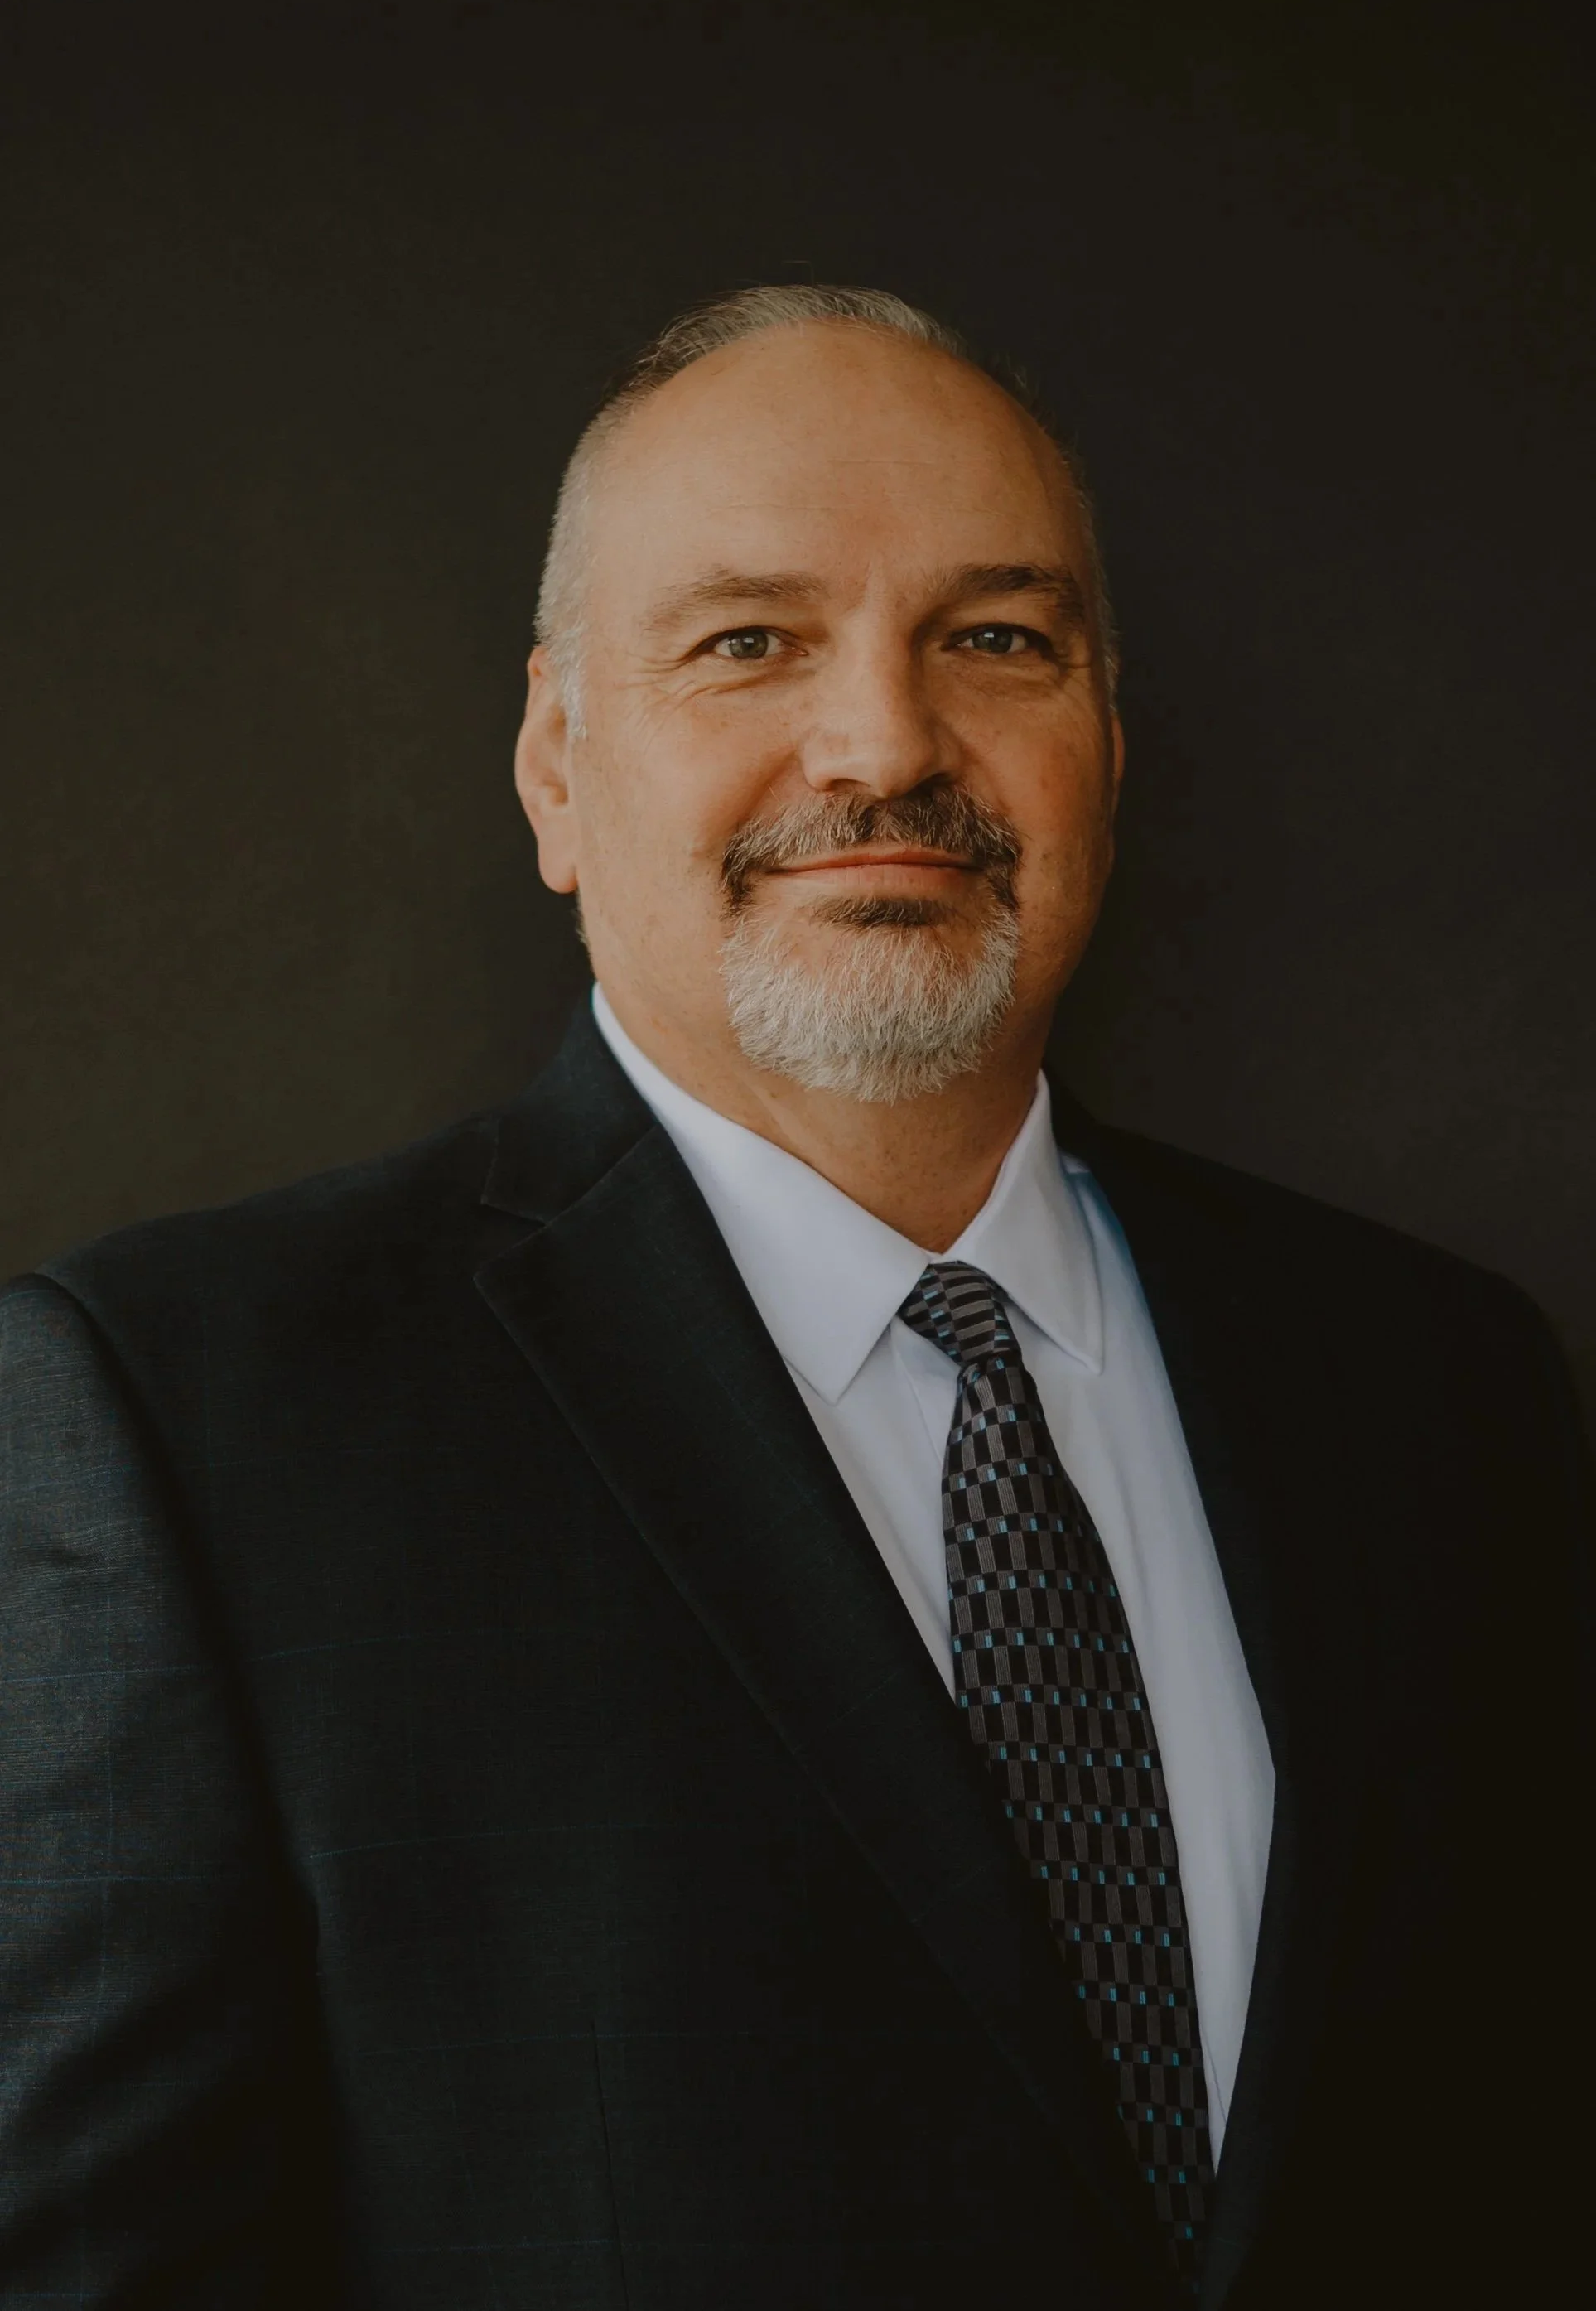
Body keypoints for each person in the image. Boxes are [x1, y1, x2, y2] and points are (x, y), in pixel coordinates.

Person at [1, 285, 1589, 2311]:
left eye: (995, 640)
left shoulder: (1439, 1393)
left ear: (1105, 747)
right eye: (749, 640)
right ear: (559, 768)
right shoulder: (188, 1424)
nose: (886, 744)